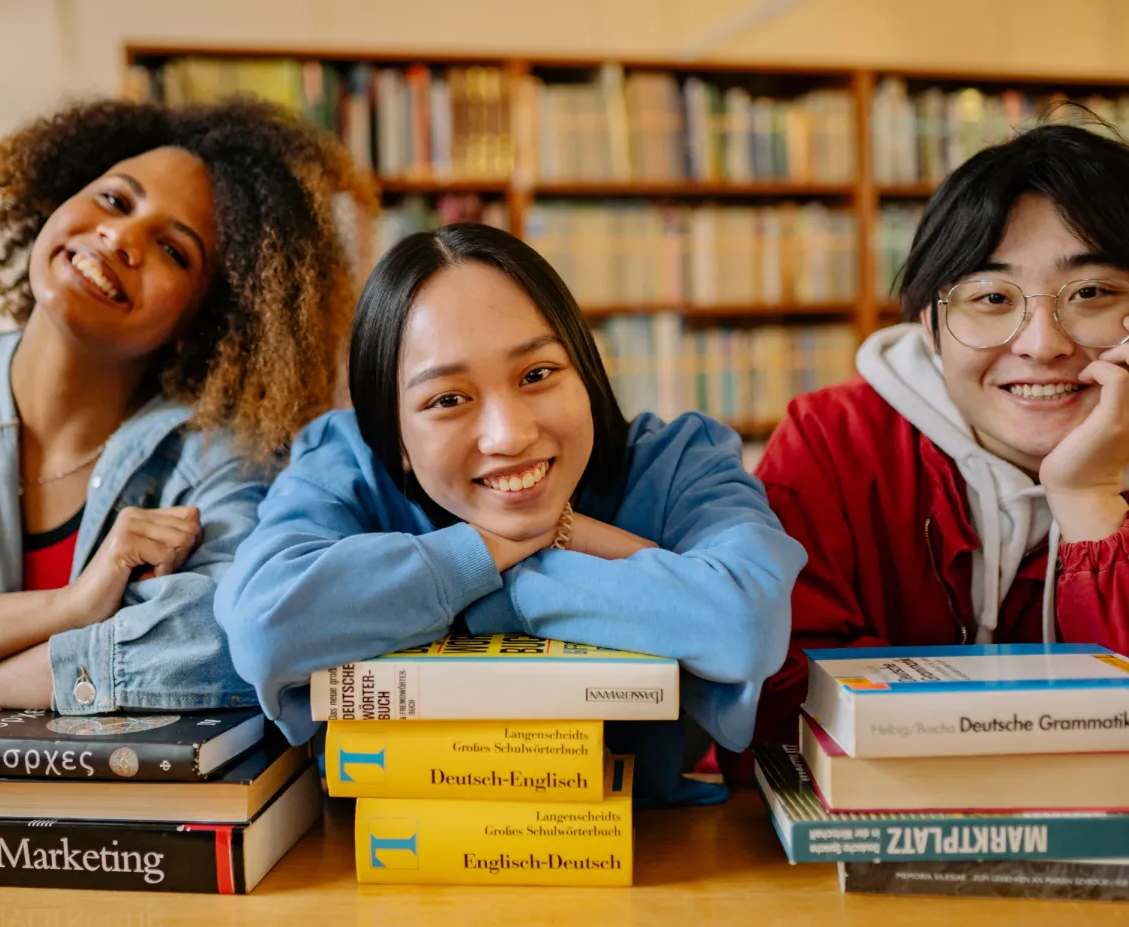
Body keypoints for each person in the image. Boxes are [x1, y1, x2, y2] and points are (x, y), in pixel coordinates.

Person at [214, 222, 805, 803]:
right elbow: (268, 625)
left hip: (654, 857)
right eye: (448, 399)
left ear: (586, 370)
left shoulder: (679, 461)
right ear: (392, 435)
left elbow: (745, 622)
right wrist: (492, 552)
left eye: (537, 374)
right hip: (385, 859)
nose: (510, 435)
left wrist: (489, 593)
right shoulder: (345, 461)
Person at [0, 97, 368, 730]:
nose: (121, 236)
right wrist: (69, 608)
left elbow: (233, 636)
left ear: (202, 322)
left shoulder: (223, 455)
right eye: (114, 200)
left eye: (173, 250)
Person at [745, 122, 1129, 764]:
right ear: (931, 325)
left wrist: (1088, 500)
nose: (1041, 344)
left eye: (1091, 293)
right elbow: (772, 697)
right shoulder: (835, 441)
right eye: (991, 297)